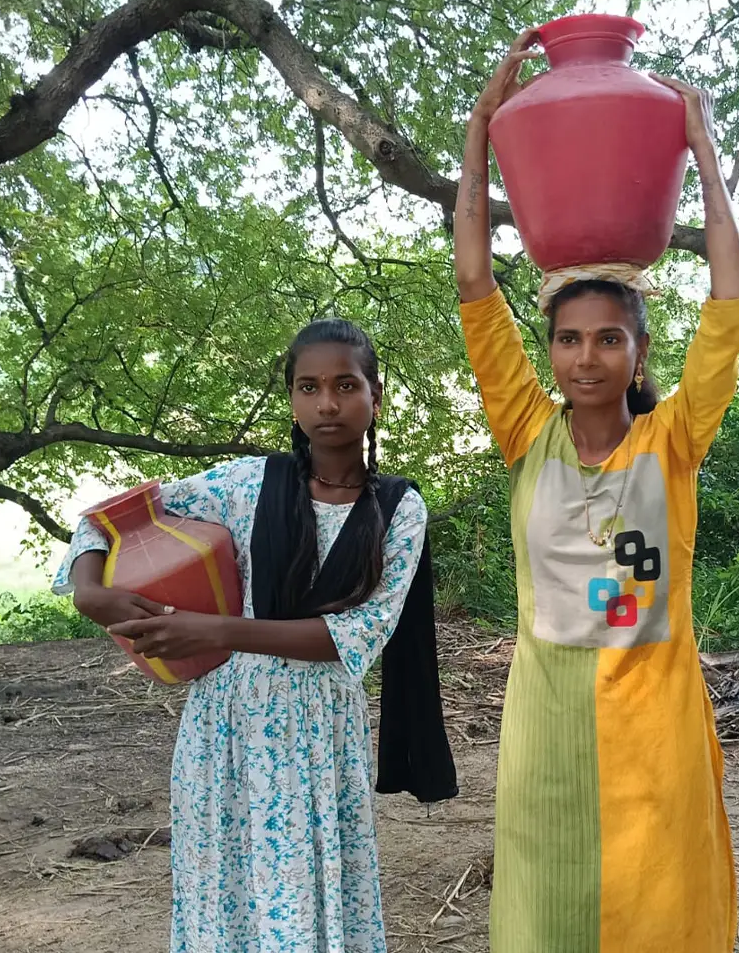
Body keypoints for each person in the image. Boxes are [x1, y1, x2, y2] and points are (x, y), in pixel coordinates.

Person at [453, 31, 739, 953]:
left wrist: (701, 153)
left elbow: (729, 306)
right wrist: (478, 136)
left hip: (653, 729)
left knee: (658, 914)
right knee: (548, 918)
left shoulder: (673, 443)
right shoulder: (526, 433)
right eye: (569, 339)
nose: (586, 357)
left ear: (638, 351)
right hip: (546, 728)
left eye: (608, 339)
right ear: (549, 351)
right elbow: (472, 279)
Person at [53, 318, 456, 953]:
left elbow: (356, 633)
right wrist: (89, 589)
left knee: (308, 896)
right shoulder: (245, 484)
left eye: (346, 385)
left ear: (376, 398)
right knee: (224, 892)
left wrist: (215, 629)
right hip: (225, 729)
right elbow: (105, 519)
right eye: (308, 386)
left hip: (320, 732)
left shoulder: (396, 508)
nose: (327, 404)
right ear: (292, 400)